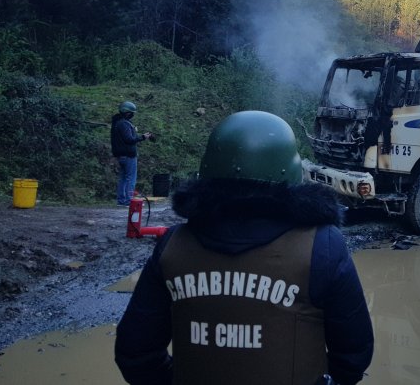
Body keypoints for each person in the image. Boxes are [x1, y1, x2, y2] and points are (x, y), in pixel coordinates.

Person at [114, 110, 373, 385]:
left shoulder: (173, 246)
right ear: (292, 170)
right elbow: (354, 356)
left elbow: (135, 353)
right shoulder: (323, 245)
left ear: (207, 170)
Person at [111, 101, 152, 206]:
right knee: (130, 178)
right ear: (127, 113)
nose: (133, 114)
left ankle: (121, 200)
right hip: (129, 155)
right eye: (132, 112)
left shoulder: (117, 122)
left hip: (121, 155)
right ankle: (129, 201)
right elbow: (129, 139)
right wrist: (143, 137)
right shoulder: (124, 123)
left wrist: (134, 131)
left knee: (123, 178)